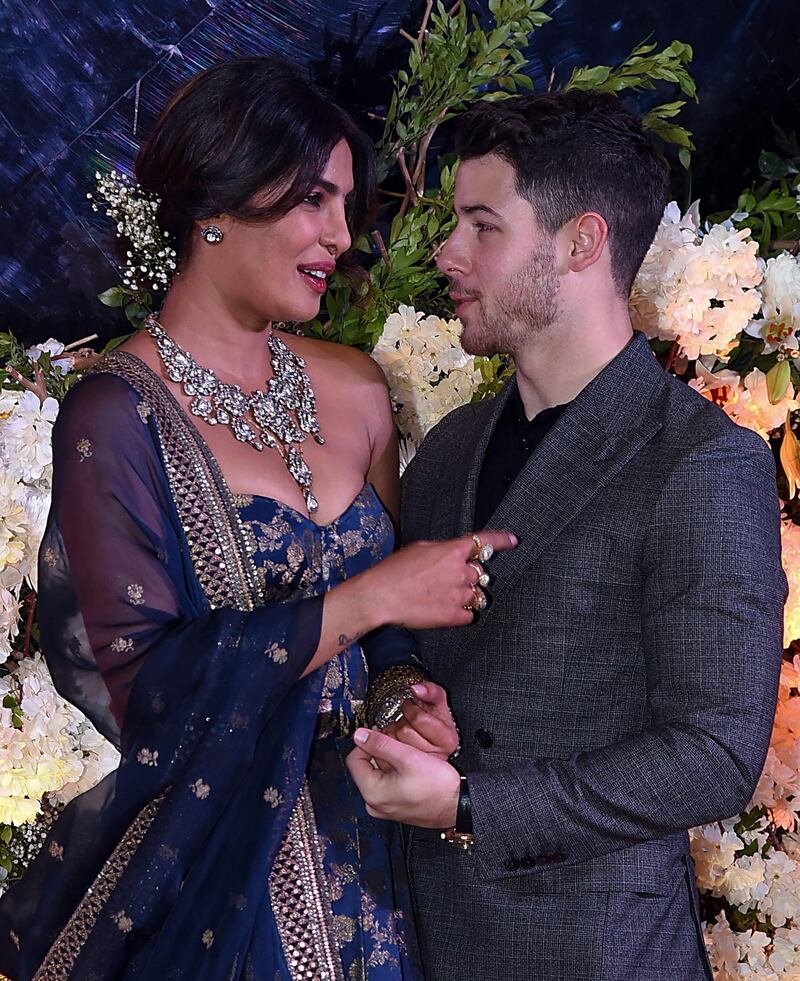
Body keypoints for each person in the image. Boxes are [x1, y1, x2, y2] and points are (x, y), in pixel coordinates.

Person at [0, 56, 514, 981]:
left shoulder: (356, 391)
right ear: (217, 203)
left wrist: (406, 700)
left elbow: (395, 637)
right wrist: (360, 602)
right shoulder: (117, 416)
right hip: (224, 880)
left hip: (388, 856)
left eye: (346, 204)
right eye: (313, 200)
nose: (340, 235)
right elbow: (144, 690)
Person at [347, 90, 787, 980]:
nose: (447, 252)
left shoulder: (701, 461)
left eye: (482, 226)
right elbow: (396, 631)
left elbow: (714, 754)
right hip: (420, 939)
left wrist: (471, 803)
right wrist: (399, 693)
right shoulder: (450, 450)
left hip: (597, 953)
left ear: (581, 243)